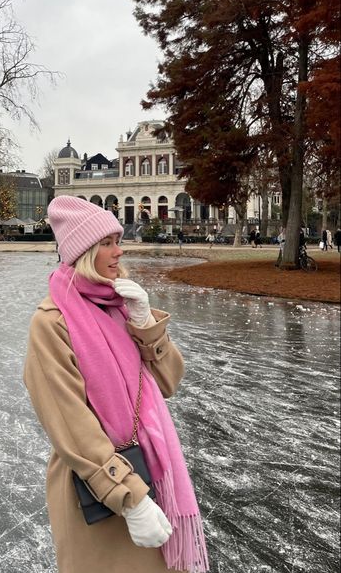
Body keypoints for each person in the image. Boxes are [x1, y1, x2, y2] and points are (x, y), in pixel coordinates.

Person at [24, 196, 208, 573]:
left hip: (148, 471)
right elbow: (69, 422)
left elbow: (169, 380)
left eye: (116, 240)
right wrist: (129, 496)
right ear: (85, 251)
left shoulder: (120, 304)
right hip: (97, 489)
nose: (118, 250)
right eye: (107, 242)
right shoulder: (52, 323)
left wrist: (144, 322)